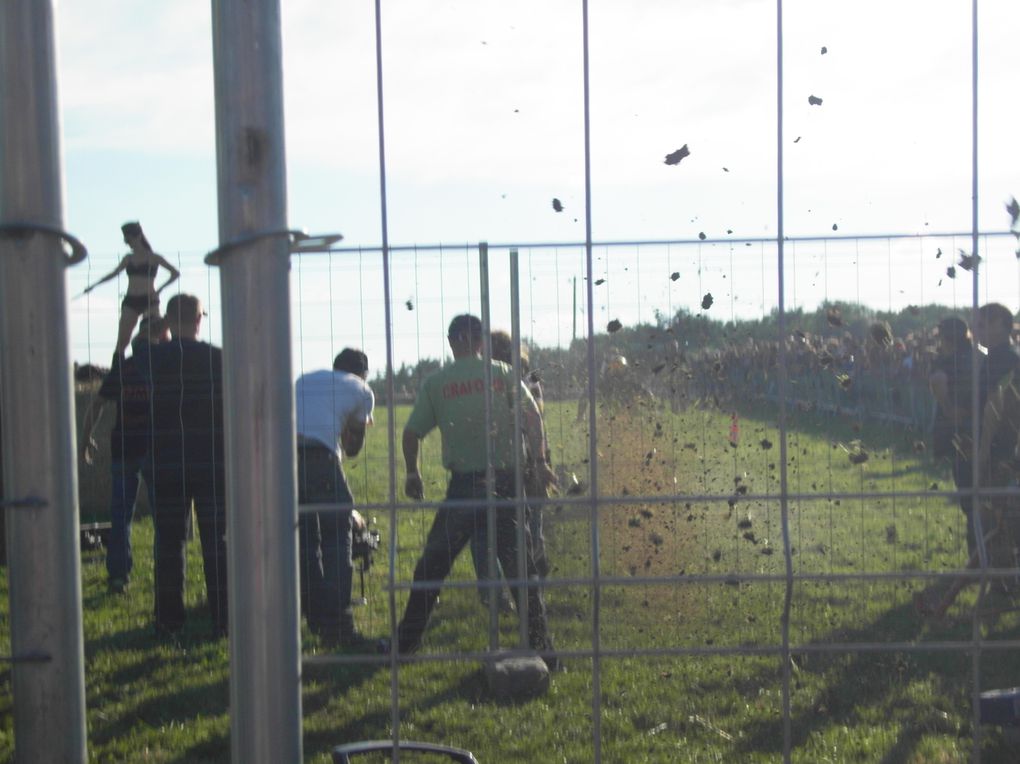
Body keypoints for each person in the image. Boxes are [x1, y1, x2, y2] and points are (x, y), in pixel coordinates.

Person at [388, 314, 558, 669]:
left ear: (451, 342)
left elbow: (411, 433)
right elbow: (532, 418)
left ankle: (405, 644)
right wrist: (540, 462)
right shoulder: (503, 373)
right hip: (507, 484)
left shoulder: (437, 383)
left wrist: (412, 473)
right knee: (521, 573)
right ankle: (546, 652)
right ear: (480, 341)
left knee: (432, 566)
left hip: (465, 487)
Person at [136, 293, 227, 635]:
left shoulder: (152, 357)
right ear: (200, 319)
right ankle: (224, 617)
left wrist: (162, 324)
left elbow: (136, 341)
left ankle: (169, 619)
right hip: (212, 460)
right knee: (217, 541)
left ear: (169, 322)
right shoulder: (218, 358)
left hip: (167, 460)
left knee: (169, 542)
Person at [80, 314, 170, 592]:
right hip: (156, 449)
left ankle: (119, 577)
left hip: (123, 448)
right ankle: (166, 577)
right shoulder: (164, 367)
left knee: (121, 515)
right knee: (164, 517)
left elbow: (97, 405)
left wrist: (86, 438)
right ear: (158, 337)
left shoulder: (124, 368)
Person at [294, 348, 374, 646]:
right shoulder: (362, 389)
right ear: (363, 374)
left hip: (285, 457)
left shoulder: (305, 379)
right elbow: (352, 448)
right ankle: (340, 623)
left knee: (305, 540)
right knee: (338, 536)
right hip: (320, 459)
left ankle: (314, 616)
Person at [82, 222, 179, 357]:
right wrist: (94, 285)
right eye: (126, 240)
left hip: (150, 300)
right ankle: (118, 372)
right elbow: (113, 273)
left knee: (155, 336)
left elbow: (175, 273)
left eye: (130, 239)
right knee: (122, 341)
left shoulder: (154, 257)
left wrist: (160, 289)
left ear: (138, 236)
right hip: (131, 300)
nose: (128, 243)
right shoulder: (128, 258)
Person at [928, 316, 976, 555]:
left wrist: (946, 404)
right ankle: (979, 556)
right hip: (969, 433)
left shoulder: (960, 360)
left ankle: (980, 556)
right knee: (972, 497)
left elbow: (952, 408)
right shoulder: (969, 356)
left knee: (971, 497)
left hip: (965, 433)